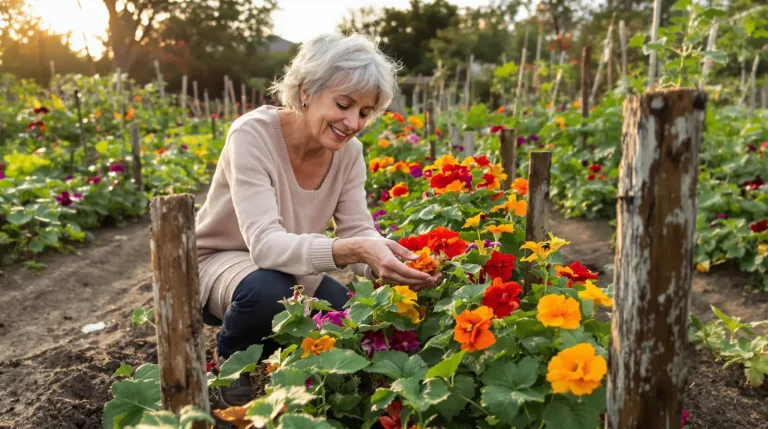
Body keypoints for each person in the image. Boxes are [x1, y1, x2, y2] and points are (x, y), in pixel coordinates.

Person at [194, 32, 440, 406]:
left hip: (289, 272)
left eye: (364, 112)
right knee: (268, 293)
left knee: (348, 318)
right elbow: (263, 246)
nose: (353, 122)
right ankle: (230, 367)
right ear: (307, 89)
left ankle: (288, 370)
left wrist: (386, 263)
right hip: (222, 263)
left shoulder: (349, 153)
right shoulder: (252, 135)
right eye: (344, 104)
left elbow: (358, 230)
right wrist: (354, 249)